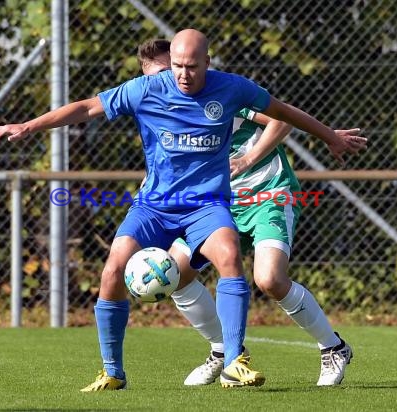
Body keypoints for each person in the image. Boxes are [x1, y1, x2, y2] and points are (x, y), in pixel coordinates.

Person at [0, 29, 367, 391]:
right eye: (178, 67)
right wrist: (29, 126)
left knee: (232, 256)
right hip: (155, 206)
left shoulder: (232, 89)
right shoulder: (147, 89)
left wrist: (329, 136)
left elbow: (283, 113)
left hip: (215, 204)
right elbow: (87, 108)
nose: (183, 75)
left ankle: (237, 360)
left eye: (190, 66)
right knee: (115, 269)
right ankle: (114, 372)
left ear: (206, 62)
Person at [137, 39, 355, 387]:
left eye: (176, 69)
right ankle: (224, 352)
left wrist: (249, 158)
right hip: (214, 204)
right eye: (157, 76)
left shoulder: (224, 93)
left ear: (198, 65)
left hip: (267, 194)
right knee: (173, 275)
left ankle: (333, 348)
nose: (171, 79)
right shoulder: (160, 106)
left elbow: (281, 119)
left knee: (269, 279)